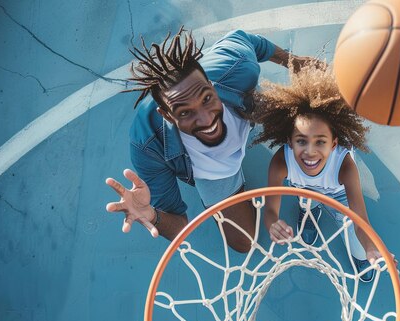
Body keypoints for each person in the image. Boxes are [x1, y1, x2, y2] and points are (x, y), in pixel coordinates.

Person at [105, 27, 315, 252]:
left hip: (245, 107)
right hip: (210, 171)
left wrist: (292, 61)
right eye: (185, 112)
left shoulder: (236, 67)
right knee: (244, 243)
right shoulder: (148, 145)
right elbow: (179, 226)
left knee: (314, 125)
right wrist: (152, 215)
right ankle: (235, 189)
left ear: (212, 86)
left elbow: (246, 39)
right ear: (166, 115)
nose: (206, 120)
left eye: (206, 98)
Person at [253, 65, 382, 282]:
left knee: (360, 248)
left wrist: (371, 248)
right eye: (301, 141)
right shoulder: (280, 162)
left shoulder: (345, 166)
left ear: (333, 144)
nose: (310, 151)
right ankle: (310, 214)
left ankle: (360, 256)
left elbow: (360, 220)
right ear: (289, 141)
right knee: (307, 202)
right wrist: (272, 224)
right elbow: (270, 211)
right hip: (306, 191)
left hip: (339, 195)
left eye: (320, 142)